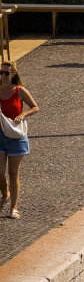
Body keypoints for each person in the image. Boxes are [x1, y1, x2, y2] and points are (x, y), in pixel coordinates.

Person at [0, 60, 38, 218]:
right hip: (0, 134)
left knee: (13, 172)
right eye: (1, 72)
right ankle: (5, 194)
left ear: (13, 74)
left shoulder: (19, 90)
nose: (3, 76)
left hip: (16, 135)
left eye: (6, 73)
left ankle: (13, 208)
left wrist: (23, 114)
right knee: (0, 172)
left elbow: (35, 107)